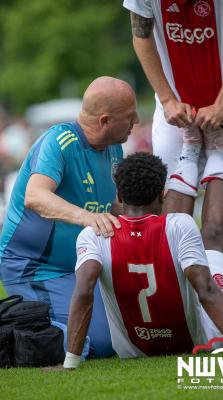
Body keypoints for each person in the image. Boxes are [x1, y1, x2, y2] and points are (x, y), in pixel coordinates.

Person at [123, 0, 223, 338]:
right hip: (173, 103)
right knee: (170, 213)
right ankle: (176, 310)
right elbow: (140, 34)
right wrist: (168, 99)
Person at [63, 152, 223, 369]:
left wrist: (71, 361)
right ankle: (214, 151)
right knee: (213, 238)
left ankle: (193, 148)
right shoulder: (179, 225)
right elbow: (206, 290)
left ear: (120, 197)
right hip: (196, 343)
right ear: (162, 195)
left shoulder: (93, 234)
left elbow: (84, 291)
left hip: (133, 351)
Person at [0, 76, 139, 357]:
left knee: (118, 337)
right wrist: (86, 217)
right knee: (90, 345)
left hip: (79, 266)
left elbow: (108, 206)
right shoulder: (59, 142)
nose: (136, 120)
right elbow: (35, 196)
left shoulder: (115, 148)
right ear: (104, 120)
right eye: (129, 116)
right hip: (34, 266)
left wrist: (151, 218)